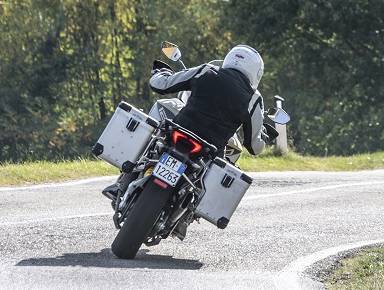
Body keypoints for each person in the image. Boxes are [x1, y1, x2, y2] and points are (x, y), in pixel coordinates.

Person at [103, 44, 277, 202]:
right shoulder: (253, 100)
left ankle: (122, 183)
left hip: (179, 131)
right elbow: (254, 147)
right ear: (256, 73)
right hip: (210, 151)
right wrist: (263, 136)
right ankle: (186, 212)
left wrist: (161, 73)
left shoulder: (207, 71)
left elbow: (161, 85)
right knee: (207, 183)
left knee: (152, 140)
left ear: (229, 59)